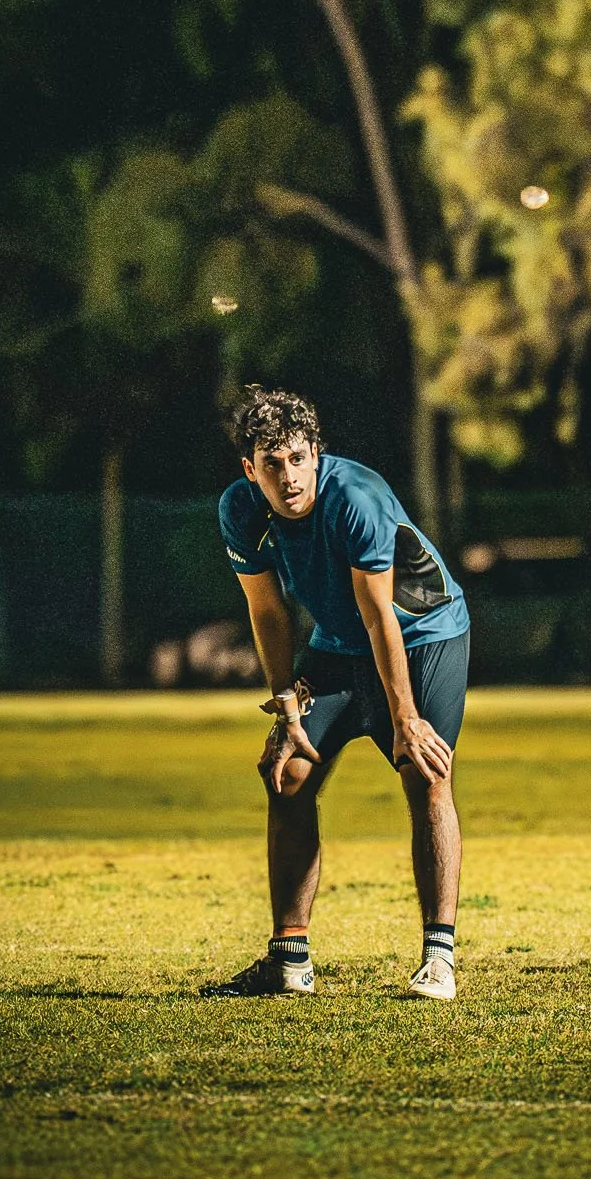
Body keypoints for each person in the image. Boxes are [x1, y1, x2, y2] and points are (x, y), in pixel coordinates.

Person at [206, 384, 470, 1001]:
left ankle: (439, 959)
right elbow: (268, 613)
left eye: (298, 458)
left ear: (316, 453)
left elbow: (381, 617)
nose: (289, 476)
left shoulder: (356, 498)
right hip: (337, 644)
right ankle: (289, 959)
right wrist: (287, 705)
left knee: (424, 771)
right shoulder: (240, 510)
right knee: (288, 770)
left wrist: (405, 719)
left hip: (424, 635)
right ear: (251, 470)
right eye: (272, 463)